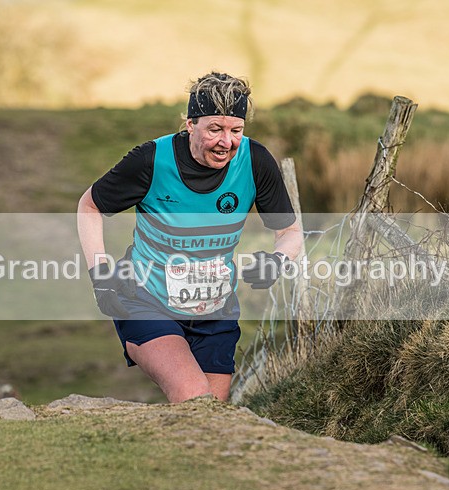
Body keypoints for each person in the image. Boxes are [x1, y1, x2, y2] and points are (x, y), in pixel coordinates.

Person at [77, 72, 303, 403]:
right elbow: (90, 206)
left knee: (214, 414)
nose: (226, 142)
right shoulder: (151, 160)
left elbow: (291, 232)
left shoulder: (254, 162)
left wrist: (277, 261)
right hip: (145, 300)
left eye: (236, 130)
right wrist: (100, 275)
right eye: (215, 129)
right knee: (194, 396)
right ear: (190, 124)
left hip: (216, 310)